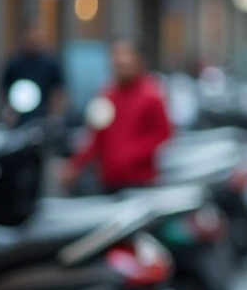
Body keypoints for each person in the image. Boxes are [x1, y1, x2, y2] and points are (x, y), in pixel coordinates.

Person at [63, 37, 171, 193]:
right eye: (115, 55)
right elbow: (96, 137)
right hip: (108, 181)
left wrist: (130, 155)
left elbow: (163, 135)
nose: (120, 60)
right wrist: (76, 165)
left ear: (138, 59)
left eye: (125, 54)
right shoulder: (107, 95)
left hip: (141, 181)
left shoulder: (152, 95)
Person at [1, 22, 65, 125]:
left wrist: (55, 116)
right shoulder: (15, 63)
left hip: (44, 118)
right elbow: (5, 88)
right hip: (19, 118)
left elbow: (58, 90)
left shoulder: (50, 63)